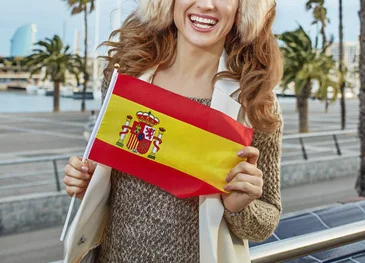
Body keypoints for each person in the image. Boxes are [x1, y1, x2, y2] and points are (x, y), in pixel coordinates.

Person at [63, 0, 283, 261]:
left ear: (242, 9)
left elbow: (266, 220)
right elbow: (112, 181)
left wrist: (238, 206)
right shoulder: (126, 77)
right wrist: (88, 182)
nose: (206, 5)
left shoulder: (254, 103)